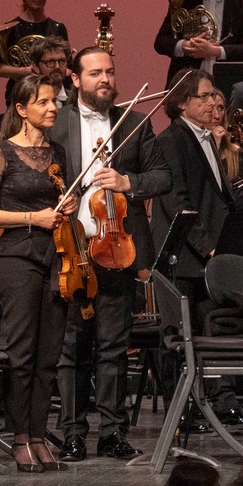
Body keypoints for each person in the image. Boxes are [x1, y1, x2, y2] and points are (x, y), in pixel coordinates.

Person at [53, 47, 170, 460]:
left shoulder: (134, 123)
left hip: (116, 249)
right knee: (71, 348)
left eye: (110, 71)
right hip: (70, 251)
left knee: (113, 348)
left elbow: (162, 176)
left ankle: (112, 433)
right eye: (95, 73)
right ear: (75, 79)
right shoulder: (55, 122)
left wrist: (127, 182)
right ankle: (72, 432)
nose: (105, 79)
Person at [0, 74, 81, 472]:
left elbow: (62, 199)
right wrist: (33, 217)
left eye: (54, 101)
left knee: (50, 354)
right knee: (23, 352)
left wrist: (69, 205)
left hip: (57, 257)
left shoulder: (58, 152)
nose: (52, 107)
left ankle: (39, 435)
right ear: (21, 108)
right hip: (18, 257)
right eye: (43, 102)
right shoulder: (3, 152)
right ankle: (19, 438)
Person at [155, 71, 237, 300]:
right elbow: (177, 203)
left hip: (207, 260)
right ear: (182, 102)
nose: (212, 102)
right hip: (184, 261)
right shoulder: (170, 140)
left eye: (213, 95)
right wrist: (209, 246)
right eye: (204, 96)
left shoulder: (206, 137)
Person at [0, 0, 70, 82]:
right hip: (20, 89)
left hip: (51, 89)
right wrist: (26, 70)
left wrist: (51, 70)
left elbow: (69, 68)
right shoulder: (10, 28)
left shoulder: (58, 28)